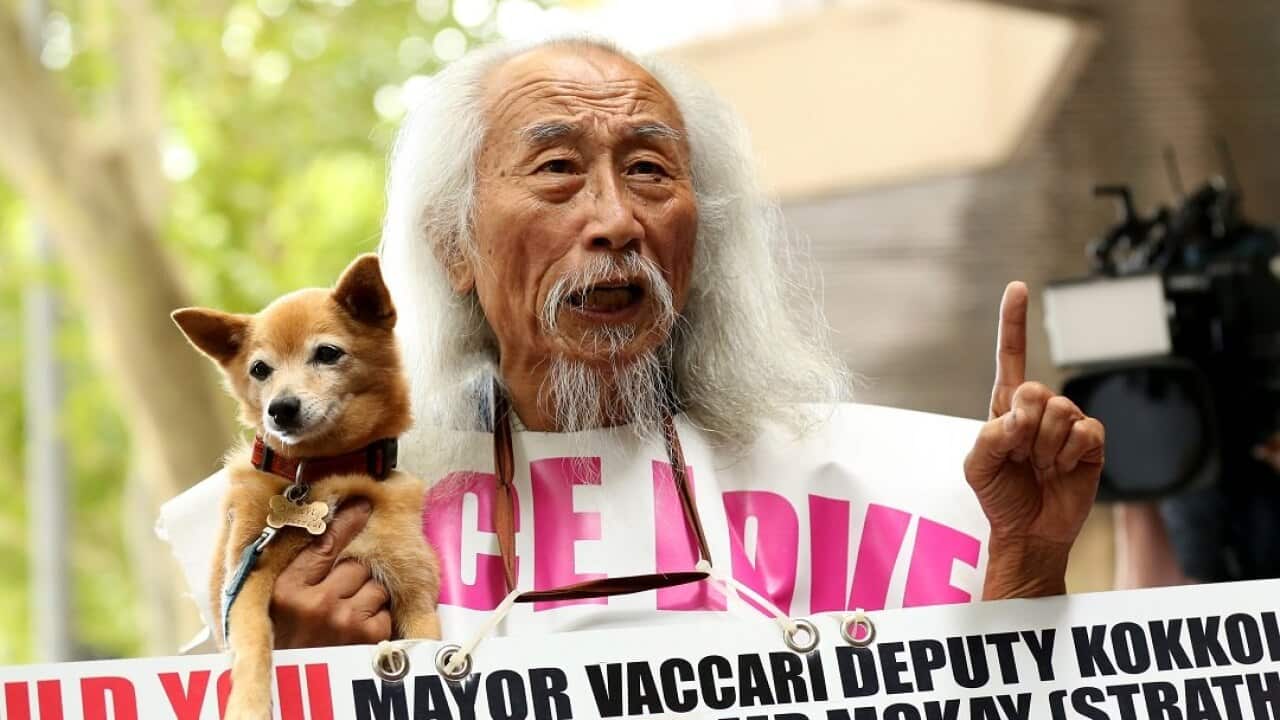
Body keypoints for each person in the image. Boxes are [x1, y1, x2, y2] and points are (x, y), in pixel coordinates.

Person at [228, 37, 1105, 649]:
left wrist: (1023, 569)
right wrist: (307, 668)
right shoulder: (346, 518)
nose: (616, 220)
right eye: (558, 170)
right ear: (456, 245)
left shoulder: (858, 487)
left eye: (649, 170)